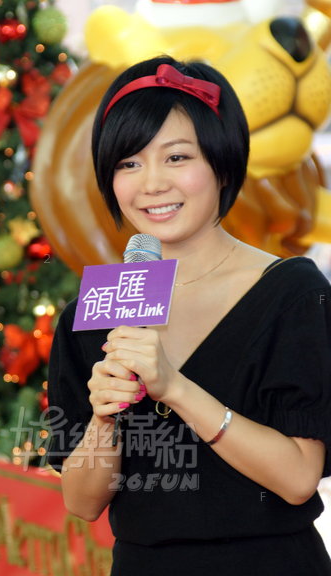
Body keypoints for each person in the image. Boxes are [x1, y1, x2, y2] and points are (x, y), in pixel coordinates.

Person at [47, 55, 331, 575]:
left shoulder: (292, 293)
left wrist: (175, 388)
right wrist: (105, 417)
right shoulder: (92, 311)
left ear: (222, 163)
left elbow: (297, 479)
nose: (152, 183)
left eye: (176, 157)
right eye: (128, 163)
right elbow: (82, 502)